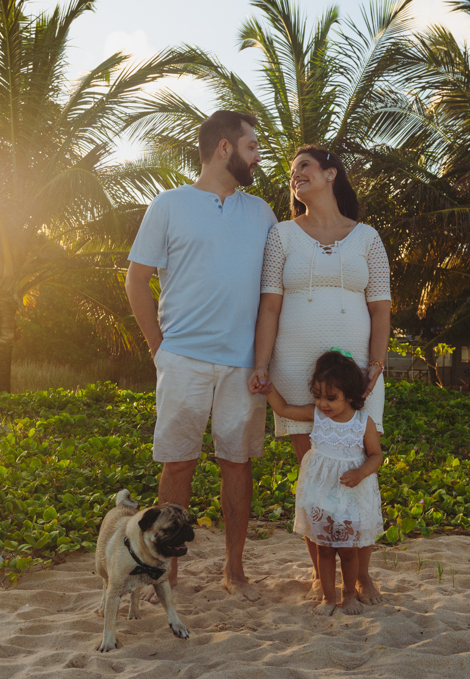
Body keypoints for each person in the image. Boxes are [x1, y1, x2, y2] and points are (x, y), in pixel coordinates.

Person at [125, 110, 277, 601]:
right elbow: (136, 278)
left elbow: (276, 290)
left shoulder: (262, 213)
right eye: (252, 146)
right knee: (178, 465)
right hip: (183, 359)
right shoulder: (168, 205)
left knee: (238, 463)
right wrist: (157, 347)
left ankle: (234, 568)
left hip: (242, 363)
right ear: (224, 149)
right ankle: (165, 575)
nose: (258, 156)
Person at [248, 145, 391, 604]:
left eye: (304, 167)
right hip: (296, 367)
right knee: (315, 481)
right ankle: (320, 574)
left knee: (357, 472)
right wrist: (262, 363)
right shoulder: (282, 236)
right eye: (291, 172)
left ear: (331, 174)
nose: (295, 176)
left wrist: (377, 363)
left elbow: (382, 307)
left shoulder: (367, 236)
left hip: (357, 373)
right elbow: (269, 303)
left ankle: (361, 576)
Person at [265, 350, 384, 615]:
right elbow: (283, 409)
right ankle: (329, 598)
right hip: (321, 495)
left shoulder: (363, 423)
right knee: (325, 549)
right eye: (318, 396)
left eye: (331, 397)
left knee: (349, 551)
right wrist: (268, 389)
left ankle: (350, 594)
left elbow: (377, 455)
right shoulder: (316, 416)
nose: (323, 403)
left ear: (350, 395)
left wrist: (362, 471)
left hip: (351, 495)